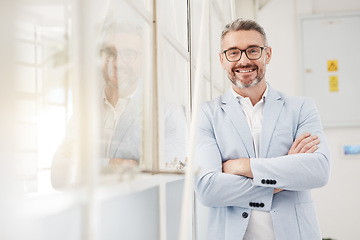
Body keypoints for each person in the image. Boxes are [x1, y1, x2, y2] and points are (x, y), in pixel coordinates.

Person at [194, 18, 331, 240]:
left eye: (252, 50)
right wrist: (287, 172)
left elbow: (319, 171)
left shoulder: (301, 108)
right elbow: (208, 189)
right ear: (222, 60)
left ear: (267, 54)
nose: (244, 60)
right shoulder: (207, 114)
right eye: (233, 53)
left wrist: (241, 166)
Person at [51, 21, 187, 189]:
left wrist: (88, 166)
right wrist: (111, 165)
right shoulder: (84, 113)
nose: (117, 63)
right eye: (110, 53)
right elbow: (58, 174)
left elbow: (159, 177)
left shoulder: (169, 114)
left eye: (129, 54)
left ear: (144, 60)